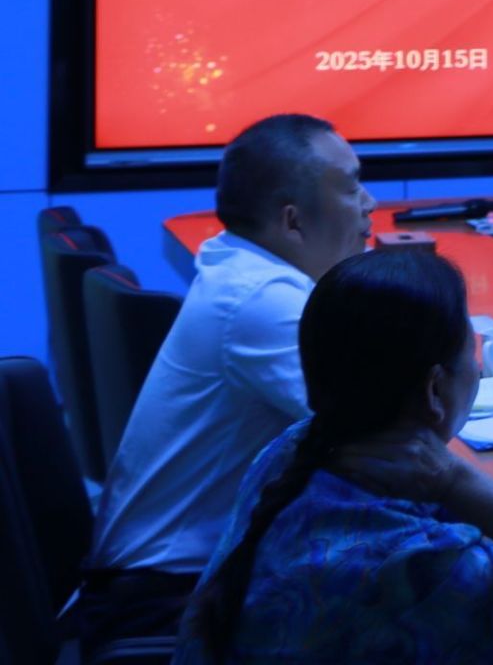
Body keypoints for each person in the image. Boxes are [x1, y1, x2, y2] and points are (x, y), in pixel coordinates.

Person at [177, 246, 493, 663]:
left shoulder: (291, 449)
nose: (477, 368)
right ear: (435, 389)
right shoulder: (416, 565)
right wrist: (456, 479)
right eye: (471, 352)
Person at [79, 115, 376, 660]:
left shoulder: (243, 270)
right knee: (441, 594)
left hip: (180, 575)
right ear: (293, 221)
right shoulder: (259, 301)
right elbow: (383, 437)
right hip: (168, 596)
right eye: (352, 185)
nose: (369, 202)